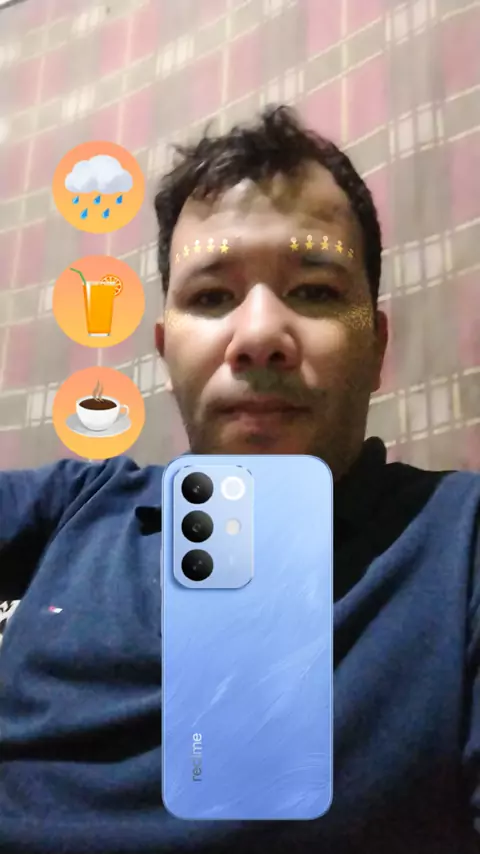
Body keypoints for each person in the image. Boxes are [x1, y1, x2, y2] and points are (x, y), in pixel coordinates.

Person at [0, 105, 479, 854]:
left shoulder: (462, 545)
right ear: (166, 351)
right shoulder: (77, 506)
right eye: (212, 297)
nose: (258, 336)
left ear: (376, 347)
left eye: (315, 291)